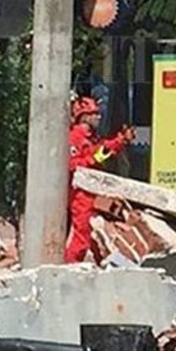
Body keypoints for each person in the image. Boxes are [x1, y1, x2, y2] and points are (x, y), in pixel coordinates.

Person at [65, 96, 134, 263]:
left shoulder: (92, 137)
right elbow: (72, 164)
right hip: (80, 193)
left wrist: (121, 140)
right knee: (82, 235)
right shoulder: (74, 137)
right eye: (94, 114)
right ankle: (70, 268)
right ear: (85, 116)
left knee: (91, 233)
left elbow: (103, 149)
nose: (99, 117)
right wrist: (93, 160)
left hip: (91, 191)